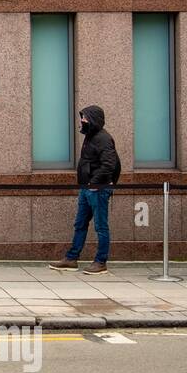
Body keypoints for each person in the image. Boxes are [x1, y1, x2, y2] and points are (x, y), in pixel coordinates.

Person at [49, 104, 120, 274]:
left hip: (97, 189)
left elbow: (110, 165)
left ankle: (100, 262)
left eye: (85, 118)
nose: (82, 121)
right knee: (80, 224)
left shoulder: (103, 138)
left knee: (101, 227)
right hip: (87, 188)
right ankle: (72, 258)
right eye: (82, 117)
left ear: (93, 120)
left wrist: (94, 183)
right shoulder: (90, 136)